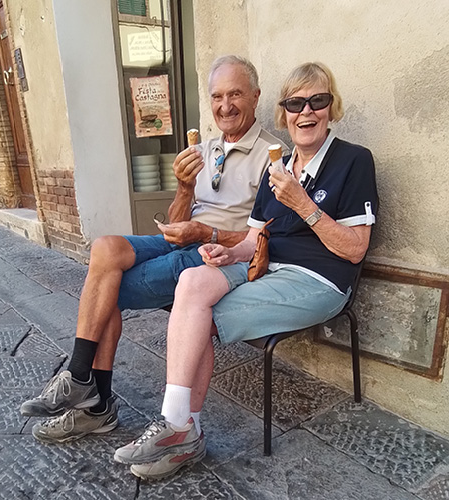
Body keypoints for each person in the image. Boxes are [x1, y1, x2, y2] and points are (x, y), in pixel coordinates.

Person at [116, 62, 378, 480]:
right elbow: (252, 242)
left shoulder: (353, 161)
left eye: (318, 101)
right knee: (193, 280)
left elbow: (354, 250)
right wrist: (228, 252)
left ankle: (180, 429)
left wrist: (304, 205)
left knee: (197, 316)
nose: (306, 112)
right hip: (267, 266)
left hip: (319, 280)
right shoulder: (280, 168)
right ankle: (179, 426)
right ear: (283, 112)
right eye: (295, 103)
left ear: (332, 108)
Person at [21, 55, 288, 443]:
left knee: (104, 291)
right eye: (217, 96)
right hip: (186, 241)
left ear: (256, 96)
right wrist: (182, 188)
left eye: (235, 94)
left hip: (213, 254)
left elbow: (266, 237)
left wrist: (204, 231)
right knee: (106, 250)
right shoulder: (206, 148)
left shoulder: (274, 155)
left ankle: (94, 404)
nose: (225, 106)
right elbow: (177, 218)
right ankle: (80, 379)